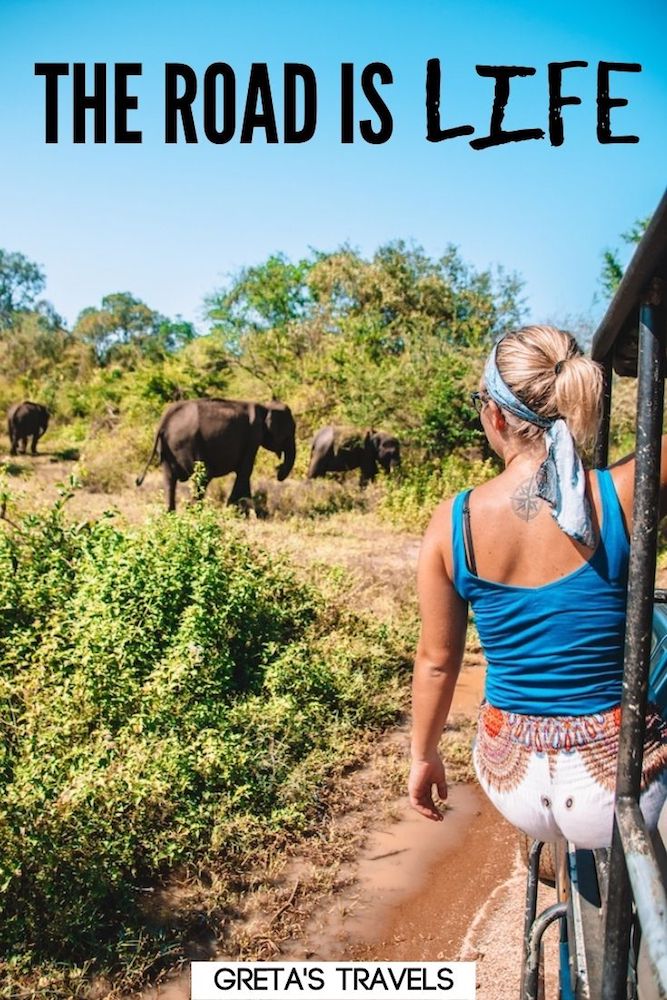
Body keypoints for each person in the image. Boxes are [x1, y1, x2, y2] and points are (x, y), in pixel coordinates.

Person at [409, 325, 667, 849]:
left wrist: (423, 756)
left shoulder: (452, 522)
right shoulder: (621, 490)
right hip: (615, 782)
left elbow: (437, 661)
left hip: (512, 776)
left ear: (496, 414)